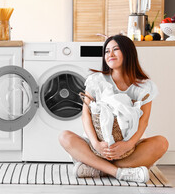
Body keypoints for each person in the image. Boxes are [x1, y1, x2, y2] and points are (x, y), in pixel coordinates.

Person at [59, 35, 169, 183]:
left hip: (127, 148)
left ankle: (97, 168)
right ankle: (118, 172)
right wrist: (96, 144)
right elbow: (86, 115)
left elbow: (144, 121)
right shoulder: (96, 80)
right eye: (106, 51)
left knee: (162, 143)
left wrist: (128, 145)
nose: (110, 54)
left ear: (128, 52)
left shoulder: (144, 87)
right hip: (96, 147)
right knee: (64, 137)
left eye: (115, 50)